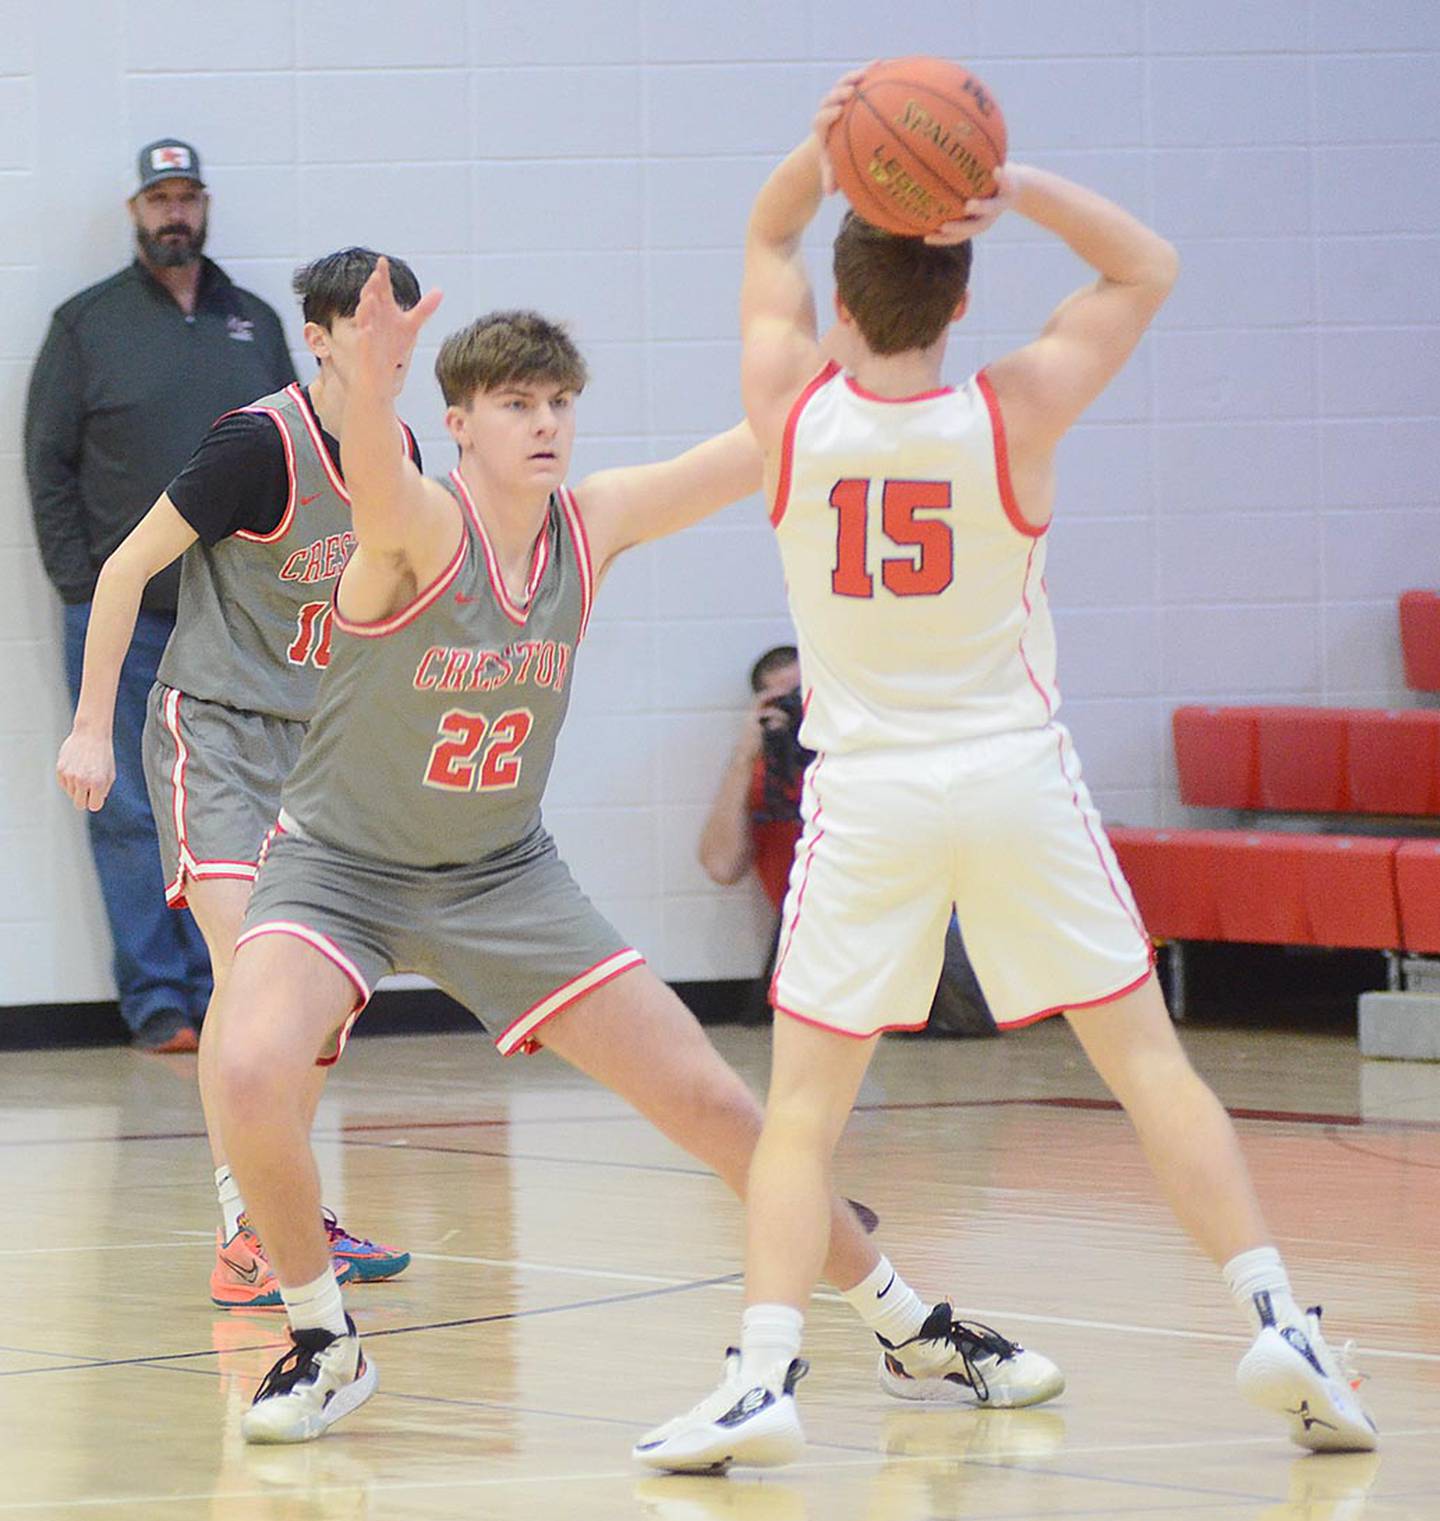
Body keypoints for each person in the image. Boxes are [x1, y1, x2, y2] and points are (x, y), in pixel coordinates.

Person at [638, 74, 1377, 1471]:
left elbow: (763, 240)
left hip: (867, 797)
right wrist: (1006, 184)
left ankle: (762, 1375)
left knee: (802, 1109)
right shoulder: (1017, 406)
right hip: (1014, 780)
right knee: (1148, 1063)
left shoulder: (790, 409)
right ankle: (1278, 1314)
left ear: (842, 305)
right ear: (963, 300)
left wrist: (830, 141)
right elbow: (1146, 265)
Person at [211, 262, 1062, 1445]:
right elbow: (368, 474)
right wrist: (377, 362)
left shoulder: (590, 523)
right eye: (516, 403)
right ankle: (321, 1337)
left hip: (504, 874)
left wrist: (868, 359)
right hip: (339, 868)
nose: (546, 422)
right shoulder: (416, 523)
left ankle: (913, 1327)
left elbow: (752, 451)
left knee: (720, 1105)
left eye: (559, 401)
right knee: (247, 1069)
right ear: (456, 423)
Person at [55, 249, 418, 1309]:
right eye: (371, 323)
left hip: (321, 749)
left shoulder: (397, 449)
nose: (393, 340)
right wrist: (90, 730)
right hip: (215, 731)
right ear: (318, 337)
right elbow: (124, 568)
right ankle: (248, 1225)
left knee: (315, 998)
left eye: (405, 322)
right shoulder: (260, 445)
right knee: (252, 970)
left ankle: (287, 1206)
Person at [27, 138, 296, 1052]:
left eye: (187, 196)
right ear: (137, 212)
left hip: (239, 621)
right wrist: (81, 581)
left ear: (205, 204)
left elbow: (300, 453)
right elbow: (45, 465)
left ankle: (243, 996)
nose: (174, 212)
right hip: (122, 615)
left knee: (242, 803)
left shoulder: (255, 321)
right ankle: (160, 1001)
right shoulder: (85, 324)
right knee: (128, 808)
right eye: (159, 198)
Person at [701, 643, 997, 1035]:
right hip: (829, 940)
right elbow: (721, 866)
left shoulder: (872, 759)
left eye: (809, 693)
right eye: (787, 699)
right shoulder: (759, 776)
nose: (801, 707)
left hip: (904, 925)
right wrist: (745, 753)